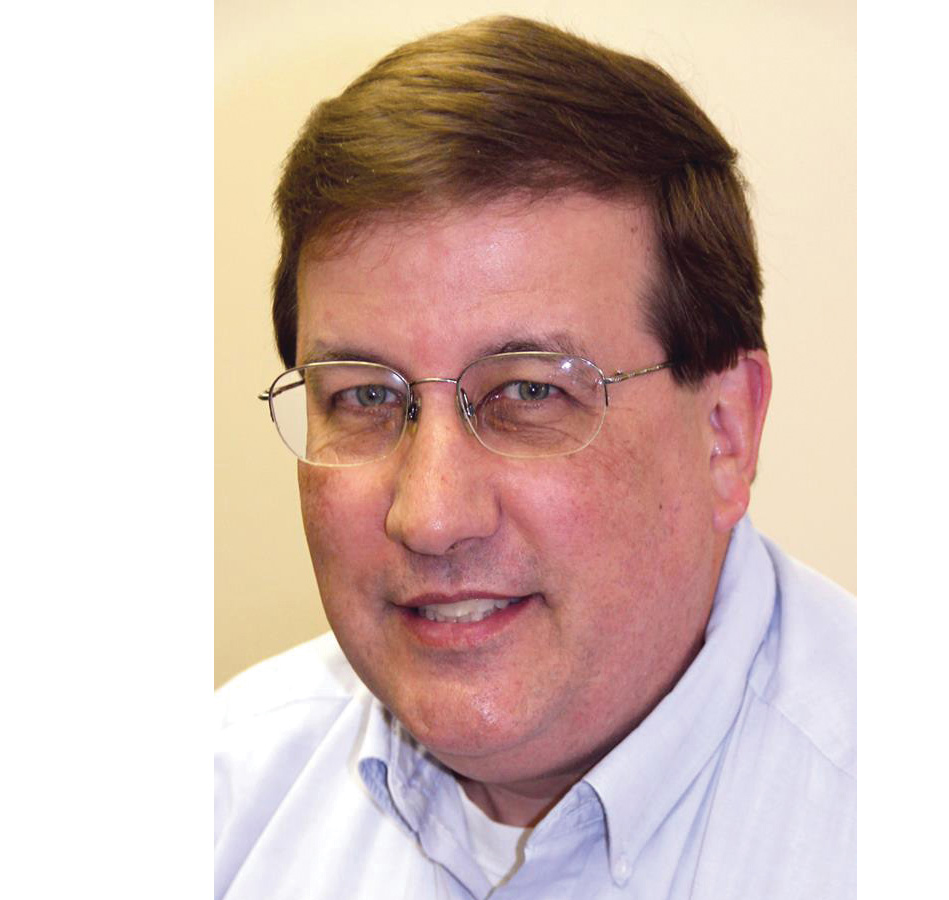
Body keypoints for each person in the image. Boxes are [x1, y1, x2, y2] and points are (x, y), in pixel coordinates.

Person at [215, 16, 853, 899]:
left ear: (724, 433)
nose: (430, 516)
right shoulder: (223, 801)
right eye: (365, 397)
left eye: (528, 392)